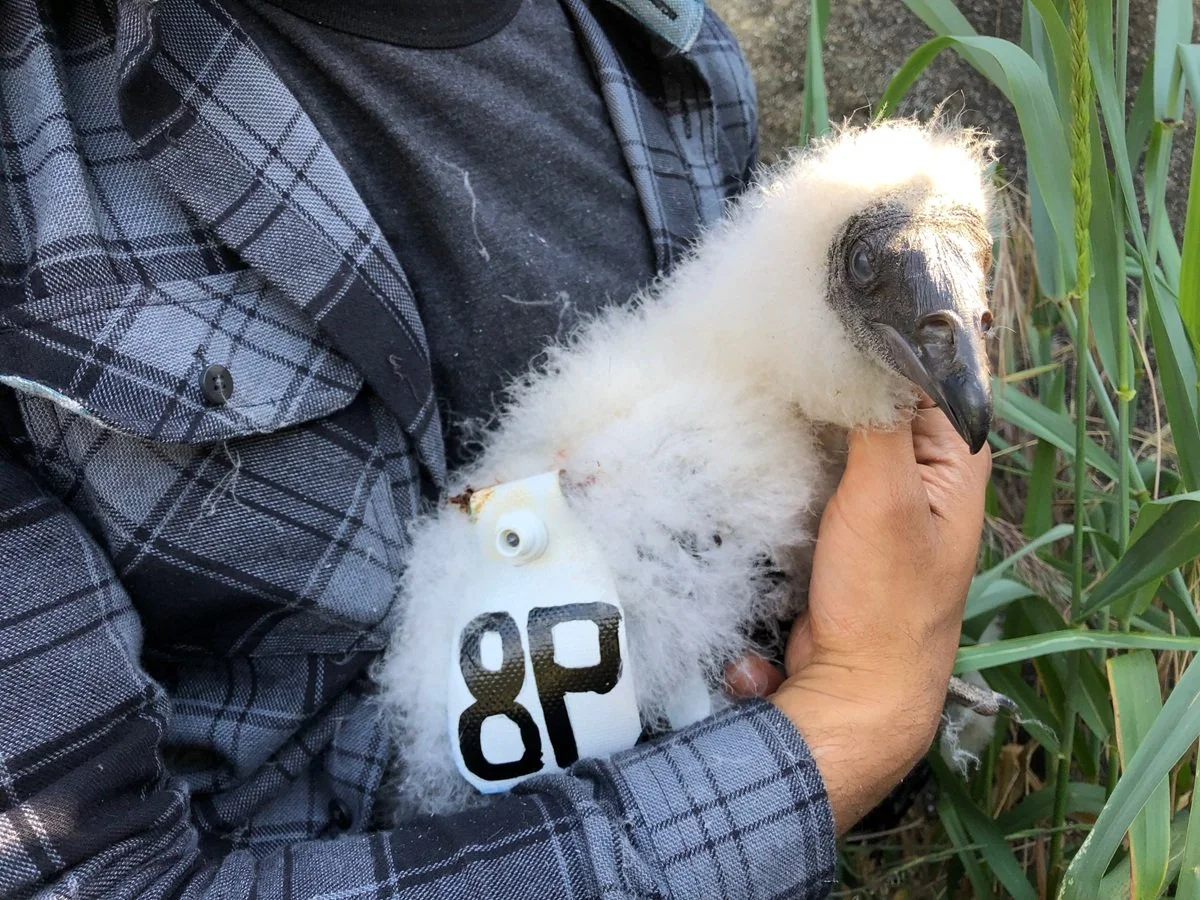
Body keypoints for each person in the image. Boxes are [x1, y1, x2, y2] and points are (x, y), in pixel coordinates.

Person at [0, 0, 990, 896]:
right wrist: (856, 724)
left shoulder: (666, 47)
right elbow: (93, 880)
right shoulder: (28, 156)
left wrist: (823, 660)